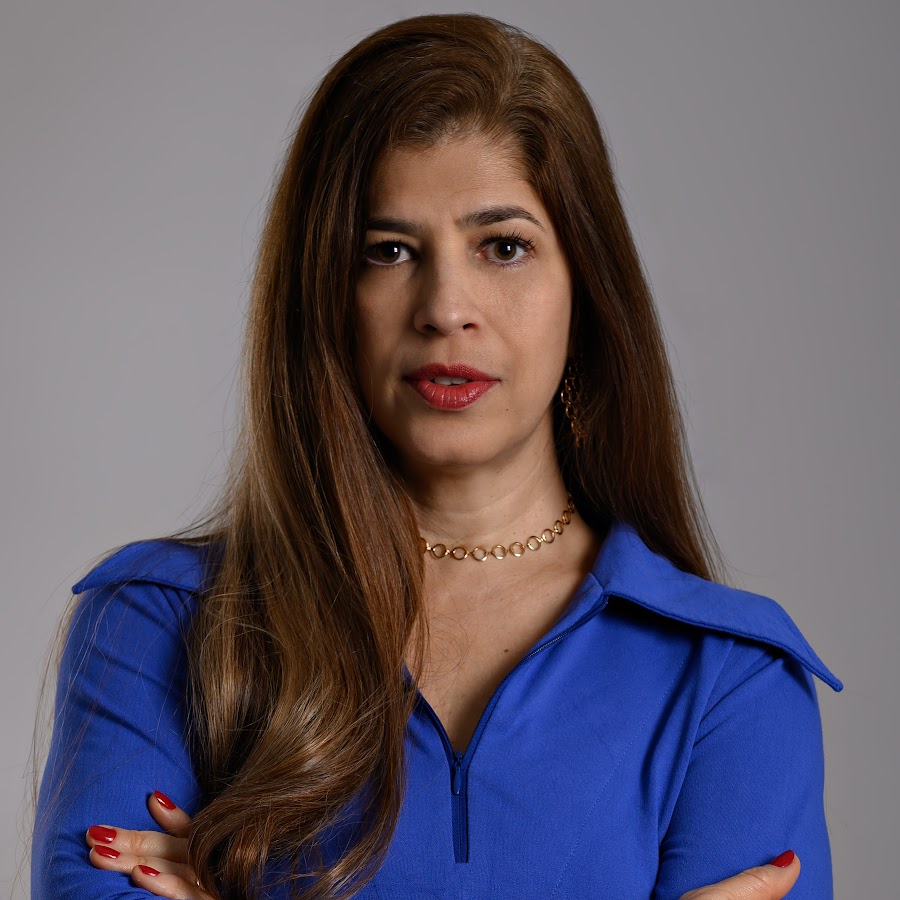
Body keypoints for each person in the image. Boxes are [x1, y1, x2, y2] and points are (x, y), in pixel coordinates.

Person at [31, 12, 842, 900]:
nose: (446, 306)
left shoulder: (730, 678)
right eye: (388, 251)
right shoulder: (160, 626)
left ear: (587, 290)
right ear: (324, 295)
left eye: (504, 247)